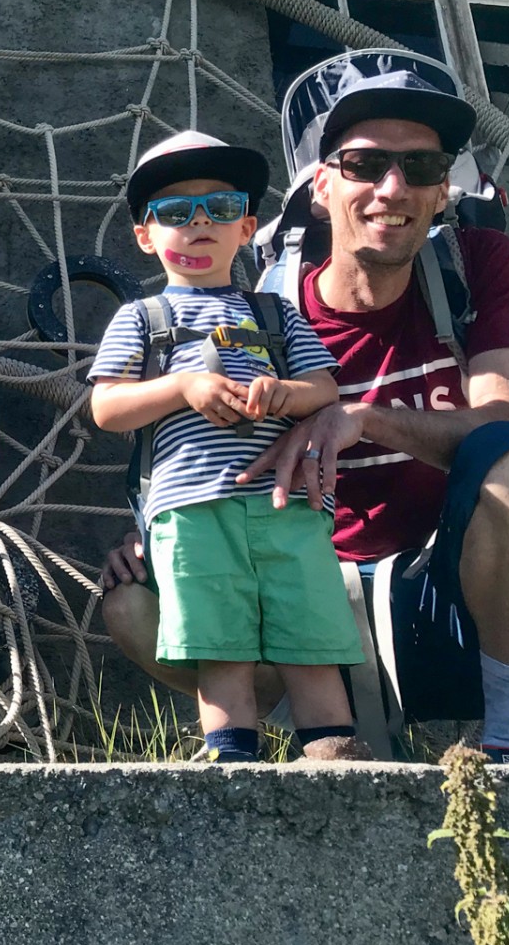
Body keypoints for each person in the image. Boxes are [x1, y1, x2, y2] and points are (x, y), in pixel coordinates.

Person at [101, 60, 509, 764]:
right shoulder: (265, 307)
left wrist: (361, 415)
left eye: (421, 166)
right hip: (302, 591)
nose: (394, 188)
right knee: (131, 600)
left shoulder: (475, 266)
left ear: (444, 188)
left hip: (447, 599)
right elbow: (180, 431)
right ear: (320, 187)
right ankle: (266, 736)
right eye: (365, 164)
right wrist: (163, 531)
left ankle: (507, 740)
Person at [88, 133, 368, 763]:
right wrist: (182, 385)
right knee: (221, 647)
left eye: (219, 209)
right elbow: (106, 407)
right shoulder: (142, 318)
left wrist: (281, 394)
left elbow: (324, 387)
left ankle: (336, 759)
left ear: (246, 228)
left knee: (312, 635)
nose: (198, 225)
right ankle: (233, 759)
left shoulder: (274, 313)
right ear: (145, 235)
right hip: (191, 509)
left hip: (289, 505)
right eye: (175, 212)